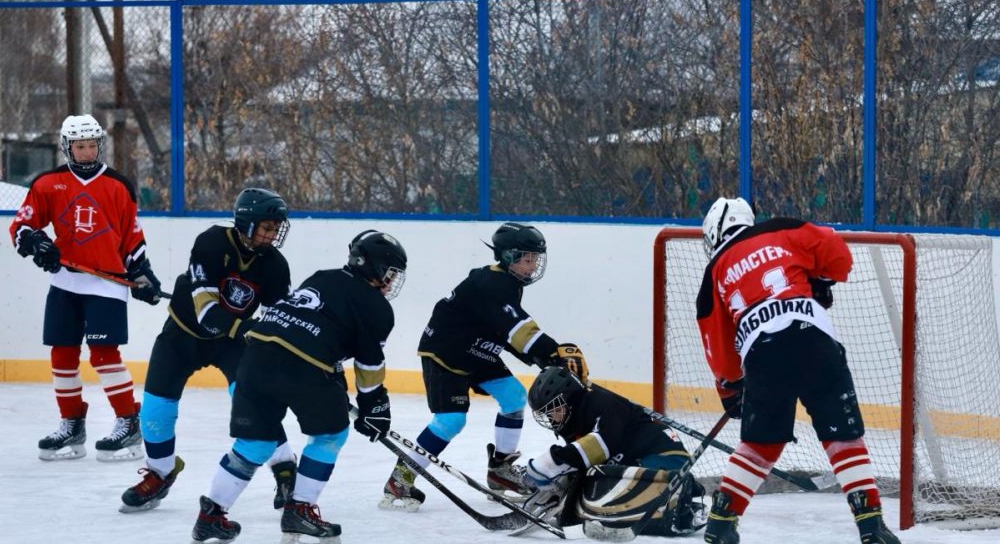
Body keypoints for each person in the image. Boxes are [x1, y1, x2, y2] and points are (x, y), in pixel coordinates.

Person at [695, 197, 900, 544]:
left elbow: (721, 353)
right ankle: (871, 526)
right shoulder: (782, 228)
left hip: (762, 355)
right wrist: (820, 278)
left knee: (760, 443)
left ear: (714, 233)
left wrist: (731, 388)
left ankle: (720, 524)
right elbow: (839, 256)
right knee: (842, 434)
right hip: (813, 340)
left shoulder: (713, 273)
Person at [190, 230, 407, 543]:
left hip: (255, 357)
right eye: (390, 272)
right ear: (375, 266)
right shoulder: (377, 306)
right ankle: (299, 509)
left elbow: (309, 325)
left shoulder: (322, 276)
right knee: (331, 434)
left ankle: (210, 515)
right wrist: (375, 406)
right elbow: (369, 364)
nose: (391, 280)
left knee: (255, 443)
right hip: (303, 366)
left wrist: (334, 378)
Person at [380, 222, 587, 511]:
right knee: (450, 421)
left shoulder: (507, 284)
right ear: (508, 256)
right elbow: (518, 327)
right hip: (446, 353)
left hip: (477, 352)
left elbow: (504, 329)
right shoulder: (491, 283)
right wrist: (551, 351)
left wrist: (544, 358)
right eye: (528, 259)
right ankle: (400, 479)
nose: (533, 266)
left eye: (535, 259)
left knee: (514, 397)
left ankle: (500, 471)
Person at [118, 188, 297, 513]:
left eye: (275, 229)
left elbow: (280, 318)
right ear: (246, 224)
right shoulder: (212, 243)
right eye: (267, 228)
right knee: (155, 412)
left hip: (232, 345)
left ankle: (285, 466)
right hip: (182, 336)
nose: (272, 235)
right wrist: (248, 328)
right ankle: (161, 472)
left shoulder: (275, 265)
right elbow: (208, 314)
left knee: (255, 404)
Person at [9, 114, 162, 462]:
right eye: (80, 146)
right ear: (67, 147)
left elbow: (132, 237)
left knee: (104, 355)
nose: (88, 152)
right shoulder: (48, 184)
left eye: (92, 145)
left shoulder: (118, 185)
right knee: (62, 354)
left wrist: (142, 275)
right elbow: (23, 225)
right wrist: (36, 243)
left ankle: (128, 421)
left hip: (106, 284)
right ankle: (72, 424)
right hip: (65, 282)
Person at [520, 365, 707, 540]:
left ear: (569, 398)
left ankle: (681, 504)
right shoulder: (574, 421)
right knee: (591, 488)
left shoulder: (601, 402)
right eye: (547, 413)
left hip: (665, 458)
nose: (551, 417)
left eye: (554, 409)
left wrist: (552, 462)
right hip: (636, 463)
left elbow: (601, 445)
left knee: (604, 492)